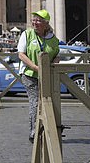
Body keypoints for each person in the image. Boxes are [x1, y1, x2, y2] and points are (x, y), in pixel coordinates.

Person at [17, 9, 60, 143]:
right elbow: (21, 54)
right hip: (29, 74)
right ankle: (34, 131)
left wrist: (53, 63)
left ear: (46, 23)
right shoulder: (27, 34)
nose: (35, 23)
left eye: (38, 20)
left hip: (47, 75)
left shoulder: (53, 39)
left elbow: (57, 54)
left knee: (49, 101)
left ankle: (51, 128)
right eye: (34, 20)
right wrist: (35, 67)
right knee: (35, 101)